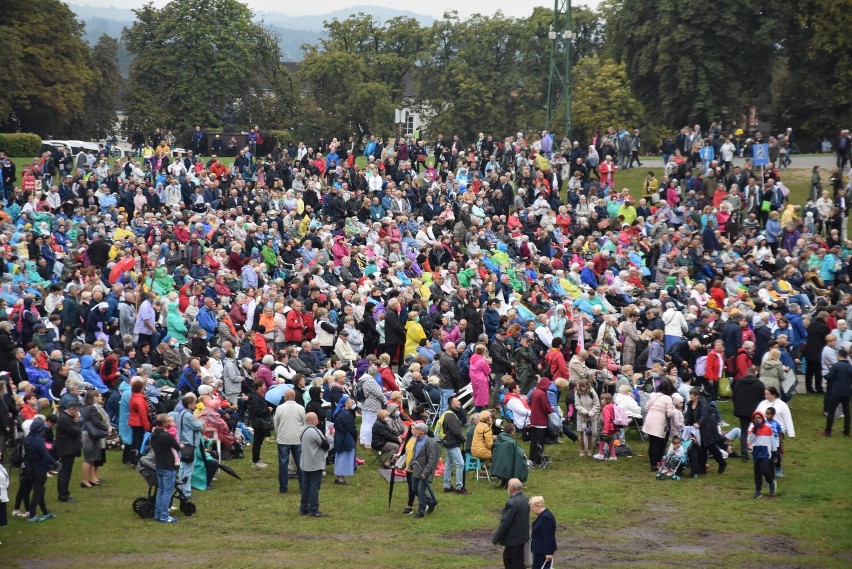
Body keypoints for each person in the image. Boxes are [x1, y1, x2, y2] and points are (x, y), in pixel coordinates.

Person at [23, 417, 60, 522]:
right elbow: (45, 455)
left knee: (41, 491)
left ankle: (45, 512)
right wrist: (55, 464)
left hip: (30, 468)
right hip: (39, 469)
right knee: (38, 492)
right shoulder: (38, 441)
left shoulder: (27, 439)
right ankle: (32, 515)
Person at [492, 478, 530, 569]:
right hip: (521, 536)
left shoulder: (513, 502)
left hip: (513, 538)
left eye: (508, 485)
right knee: (508, 558)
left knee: (516, 562)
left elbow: (506, 522)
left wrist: (496, 538)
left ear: (512, 488)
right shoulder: (525, 499)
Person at [149, 413, 181, 523]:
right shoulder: (166, 435)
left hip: (159, 466)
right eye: (167, 421)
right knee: (167, 492)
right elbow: (176, 446)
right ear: (163, 423)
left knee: (160, 491)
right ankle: (164, 515)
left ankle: (158, 514)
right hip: (168, 466)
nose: (169, 423)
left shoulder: (153, 435)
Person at [274, 389, 306, 494]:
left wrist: (278, 434)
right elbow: (303, 423)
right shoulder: (301, 408)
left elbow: (276, 423)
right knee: (300, 463)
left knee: (283, 463)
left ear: (286, 397)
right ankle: (303, 485)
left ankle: (283, 487)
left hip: (283, 438)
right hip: (297, 438)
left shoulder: (280, 408)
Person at [171, 393, 202, 498]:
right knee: (188, 469)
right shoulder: (188, 415)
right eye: (194, 403)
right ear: (189, 404)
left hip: (184, 442)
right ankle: (186, 492)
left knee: (183, 468)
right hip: (189, 444)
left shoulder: (183, 413)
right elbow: (198, 426)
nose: (196, 405)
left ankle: (181, 489)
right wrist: (200, 420)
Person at [299, 411, 330, 517]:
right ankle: (313, 509)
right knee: (314, 487)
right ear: (313, 420)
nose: (318, 420)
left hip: (305, 462)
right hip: (315, 462)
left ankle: (304, 507)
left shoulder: (302, 430)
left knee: (306, 486)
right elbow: (325, 444)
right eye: (316, 418)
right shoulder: (313, 431)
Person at [731, 367, 766, 460]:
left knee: (744, 432)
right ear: (755, 373)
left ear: (746, 373)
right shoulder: (759, 384)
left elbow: (734, 395)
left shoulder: (739, 382)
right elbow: (763, 399)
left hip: (742, 411)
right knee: (757, 431)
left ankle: (744, 453)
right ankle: (758, 451)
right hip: (755, 412)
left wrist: (737, 406)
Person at [642, 379, 676, 470]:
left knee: (652, 443)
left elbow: (646, 407)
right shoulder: (668, 398)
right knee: (657, 443)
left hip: (650, 419)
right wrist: (673, 409)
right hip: (659, 421)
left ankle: (653, 463)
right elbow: (669, 413)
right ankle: (656, 463)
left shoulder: (653, 395)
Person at [408, 420, 440, 518]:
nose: (415, 431)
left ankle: (420, 512)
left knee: (421, 492)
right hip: (416, 470)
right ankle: (431, 501)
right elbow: (415, 455)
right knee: (414, 489)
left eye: (417, 429)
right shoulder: (416, 440)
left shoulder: (431, 443)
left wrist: (426, 472)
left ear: (423, 431)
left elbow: (432, 460)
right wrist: (410, 465)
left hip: (424, 472)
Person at [440, 396, 470, 495]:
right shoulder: (450, 415)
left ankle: (447, 486)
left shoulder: (450, 413)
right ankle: (459, 487)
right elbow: (456, 431)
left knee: (448, 464)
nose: (459, 402)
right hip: (452, 443)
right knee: (460, 464)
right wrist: (463, 439)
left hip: (448, 442)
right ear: (452, 404)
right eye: (457, 401)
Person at [54, 400, 82, 503]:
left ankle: (64, 492)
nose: (78, 413)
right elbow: (75, 431)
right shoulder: (65, 419)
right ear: (72, 409)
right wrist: (76, 422)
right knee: (65, 472)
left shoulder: (65, 417)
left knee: (66, 471)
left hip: (68, 448)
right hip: (66, 449)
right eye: (77, 411)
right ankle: (63, 495)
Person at [80, 389, 110, 488]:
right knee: (88, 458)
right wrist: (107, 428)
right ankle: (85, 480)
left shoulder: (88, 407)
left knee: (92, 458)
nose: (101, 397)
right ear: (94, 398)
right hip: (89, 434)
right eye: (99, 395)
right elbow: (97, 421)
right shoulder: (91, 408)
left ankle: (91, 477)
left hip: (90, 434)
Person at [748, 411, 778, 499]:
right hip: (756, 453)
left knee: (764, 469)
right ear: (753, 420)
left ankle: (771, 482)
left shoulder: (768, 428)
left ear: (762, 419)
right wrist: (754, 430)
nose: (758, 420)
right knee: (757, 473)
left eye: (759, 418)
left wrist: (774, 452)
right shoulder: (752, 430)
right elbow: (751, 440)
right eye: (756, 418)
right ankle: (758, 491)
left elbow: (772, 441)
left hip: (765, 454)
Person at [823, 347, 852, 437]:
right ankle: (846, 432)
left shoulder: (836, 365)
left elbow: (830, 377)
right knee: (847, 412)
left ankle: (828, 431)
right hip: (847, 392)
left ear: (839, 356)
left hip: (836, 391)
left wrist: (825, 375)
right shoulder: (849, 366)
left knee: (831, 411)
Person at [246, 380, 274, 468]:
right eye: (263, 385)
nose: (265, 387)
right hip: (258, 422)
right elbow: (257, 411)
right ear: (259, 387)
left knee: (259, 442)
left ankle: (257, 459)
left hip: (259, 421)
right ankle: (255, 461)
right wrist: (267, 409)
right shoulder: (255, 398)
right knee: (257, 442)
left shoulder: (258, 396)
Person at [528, 377, 554, 467]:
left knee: (533, 441)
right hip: (541, 421)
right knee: (540, 442)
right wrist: (552, 409)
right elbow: (546, 407)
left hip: (534, 420)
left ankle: (531, 459)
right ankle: (537, 460)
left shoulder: (534, 392)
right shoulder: (542, 394)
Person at [332, 395, 357, 486]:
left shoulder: (339, 413)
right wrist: (355, 436)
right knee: (344, 458)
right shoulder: (346, 414)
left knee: (340, 457)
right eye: (351, 402)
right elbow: (351, 428)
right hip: (345, 438)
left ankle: (339, 477)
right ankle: (341, 479)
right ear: (346, 404)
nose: (352, 403)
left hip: (339, 438)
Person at [529, 495, 557, 569]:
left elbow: (548, 536)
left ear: (538, 506)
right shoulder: (542, 515)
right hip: (539, 550)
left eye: (532, 507)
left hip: (543, 552)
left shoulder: (545, 517)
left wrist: (548, 553)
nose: (531, 509)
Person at [594, 392, 618, 461]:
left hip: (608, 427)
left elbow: (607, 420)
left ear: (606, 400)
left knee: (602, 439)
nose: (601, 401)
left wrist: (605, 430)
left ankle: (600, 454)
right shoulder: (613, 405)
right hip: (614, 426)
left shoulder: (606, 408)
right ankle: (613, 456)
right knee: (609, 441)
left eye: (602, 399)